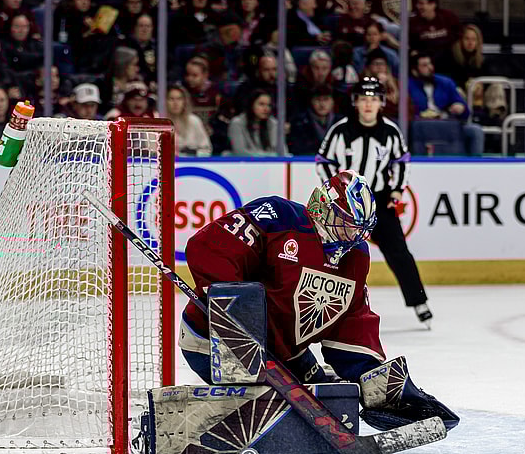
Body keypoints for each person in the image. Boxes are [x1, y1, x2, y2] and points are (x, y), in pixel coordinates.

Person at [179, 169, 459, 432]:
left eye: (359, 229)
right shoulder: (280, 217)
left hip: (283, 353)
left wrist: (379, 384)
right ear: (323, 208)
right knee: (277, 414)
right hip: (213, 342)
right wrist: (236, 313)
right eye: (346, 224)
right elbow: (211, 246)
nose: (353, 235)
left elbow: (351, 320)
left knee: (328, 405)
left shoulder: (356, 256)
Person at [317, 77, 432, 327]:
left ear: (380, 103)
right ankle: (327, 306)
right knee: (336, 254)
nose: (368, 105)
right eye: (362, 100)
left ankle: (419, 301)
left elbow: (401, 161)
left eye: (372, 100)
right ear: (355, 103)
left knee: (399, 253)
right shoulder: (341, 130)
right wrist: (336, 192)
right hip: (346, 205)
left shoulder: (390, 131)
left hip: (379, 200)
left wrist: (397, 191)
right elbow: (323, 161)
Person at [408, 50, 484, 156]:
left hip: (447, 123)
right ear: (414, 70)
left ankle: (476, 166)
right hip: (422, 125)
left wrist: (461, 108)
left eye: (430, 64)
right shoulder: (407, 85)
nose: (430, 68)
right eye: (425, 65)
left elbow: (465, 111)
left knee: (475, 131)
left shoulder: (445, 83)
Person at [227, 88, 285, 156]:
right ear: (251, 105)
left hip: (270, 164)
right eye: (261, 104)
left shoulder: (274, 124)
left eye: (269, 105)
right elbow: (240, 152)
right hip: (244, 164)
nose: (266, 109)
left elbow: (282, 151)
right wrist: (267, 157)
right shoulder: (237, 123)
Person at [288, 83, 342, 155]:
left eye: (326, 99)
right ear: (311, 101)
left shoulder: (341, 122)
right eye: (318, 99)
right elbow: (297, 149)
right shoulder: (299, 123)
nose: (322, 104)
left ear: (333, 101)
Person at [166, 85, 212, 157]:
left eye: (179, 99)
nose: (175, 103)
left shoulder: (194, 121)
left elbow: (206, 150)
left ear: (184, 101)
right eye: (171, 99)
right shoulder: (158, 122)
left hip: (191, 164)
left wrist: (193, 153)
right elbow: (152, 152)